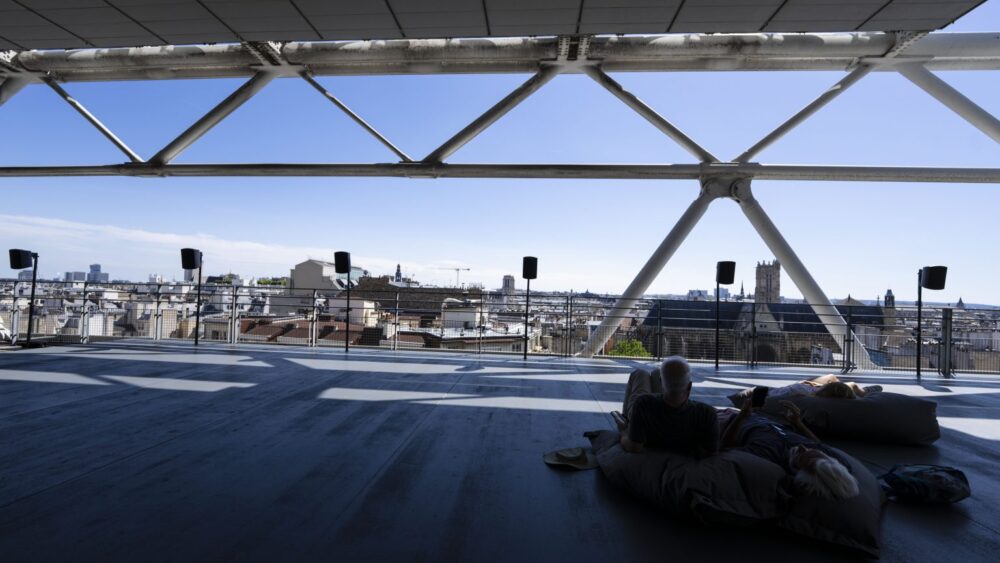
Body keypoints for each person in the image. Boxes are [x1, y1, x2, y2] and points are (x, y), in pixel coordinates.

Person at [721, 399, 859, 500]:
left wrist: (740, 417)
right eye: (809, 450)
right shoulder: (830, 461)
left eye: (800, 454)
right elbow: (817, 444)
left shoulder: (768, 454)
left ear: (797, 470)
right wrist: (797, 423)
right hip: (763, 419)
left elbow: (727, 446)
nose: (802, 447)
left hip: (729, 420)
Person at [613, 356, 719, 458]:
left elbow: (634, 447)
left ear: (660, 384)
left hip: (645, 415)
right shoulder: (707, 414)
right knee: (656, 373)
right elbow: (710, 451)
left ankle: (626, 417)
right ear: (689, 386)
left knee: (640, 373)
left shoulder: (643, 404)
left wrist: (623, 432)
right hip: (668, 415)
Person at [766, 374, 882, 402]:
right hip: (811, 387)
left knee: (850, 384)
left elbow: (770, 394)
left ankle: (865, 391)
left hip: (805, 387)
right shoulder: (820, 395)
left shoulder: (797, 391)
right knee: (849, 383)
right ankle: (865, 391)